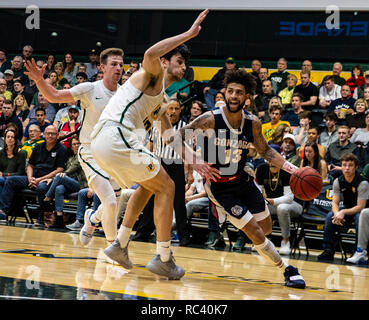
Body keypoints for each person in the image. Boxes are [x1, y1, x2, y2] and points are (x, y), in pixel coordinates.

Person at [90, 9, 215, 279]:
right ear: (165, 61)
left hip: (104, 142)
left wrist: (196, 161)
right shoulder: (152, 75)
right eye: (179, 61)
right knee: (168, 185)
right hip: (114, 135)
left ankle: (120, 245)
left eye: (184, 64)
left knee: (150, 186)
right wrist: (189, 33)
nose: (183, 67)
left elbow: (170, 136)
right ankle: (164, 257)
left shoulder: (161, 97)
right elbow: (149, 55)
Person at [173, 67, 306, 288]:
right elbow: (177, 136)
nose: (233, 96)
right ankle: (288, 270)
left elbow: (266, 151)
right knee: (254, 232)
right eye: (230, 91)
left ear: (246, 97)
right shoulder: (210, 119)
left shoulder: (252, 122)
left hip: (243, 181)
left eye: (238, 92)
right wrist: (194, 161)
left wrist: (295, 170)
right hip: (220, 188)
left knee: (265, 229)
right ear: (225, 93)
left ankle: (235, 222)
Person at [25, 48, 125, 261]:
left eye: (121, 64)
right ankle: (113, 250)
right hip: (90, 151)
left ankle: (91, 218)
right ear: (102, 67)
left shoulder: (126, 93)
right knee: (109, 200)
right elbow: (55, 95)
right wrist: (40, 80)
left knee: (115, 201)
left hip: (114, 153)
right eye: (114, 64)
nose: (119, 68)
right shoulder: (90, 88)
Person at [131, 98, 192, 246]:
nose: (173, 111)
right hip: (158, 163)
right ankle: (143, 232)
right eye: (170, 108)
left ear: (180, 110)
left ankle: (184, 236)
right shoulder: (157, 124)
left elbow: (189, 152)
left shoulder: (186, 128)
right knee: (150, 198)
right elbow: (151, 147)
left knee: (179, 202)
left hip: (176, 164)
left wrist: (189, 173)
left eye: (176, 108)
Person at [0, 125, 68, 224]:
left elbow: (60, 169)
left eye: (53, 134)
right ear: (43, 135)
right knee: (11, 180)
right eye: (48, 133)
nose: (50, 136)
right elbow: (30, 165)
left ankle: (41, 217)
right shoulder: (38, 147)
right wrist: (30, 178)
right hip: (33, 177)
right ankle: (3, 211)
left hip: (48, 180)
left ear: (57, 135)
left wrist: (39, 179)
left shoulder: (62, 149)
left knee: (41, 187)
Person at [318, 153, 369, 261]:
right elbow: (335, 203)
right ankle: (328, 250)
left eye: (350, 165)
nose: (347, 168)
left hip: (363, 211)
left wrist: (343, 212)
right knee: (330, 216)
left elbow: (360, 206)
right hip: (348, 208)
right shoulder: (338, 181)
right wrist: (337, 213)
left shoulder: (362, 183)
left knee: (359, 217)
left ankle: (357, 251)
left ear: (356, 167)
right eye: (344, 165)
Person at [255, 150, 303, 255]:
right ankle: (262, 240)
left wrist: (272, 201)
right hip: (273, 204)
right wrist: (264, 201)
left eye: (275, 160)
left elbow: (289, 198)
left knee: (282, 208)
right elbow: (258, 192)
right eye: (270, 160)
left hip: (294, 204)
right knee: (257, 205)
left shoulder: (286, 171)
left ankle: (285, 241)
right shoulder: (262, 169)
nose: (272, 163)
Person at [43, 136, 88, 228]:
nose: (76, 146)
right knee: (59, 188)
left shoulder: (83, 156)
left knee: (60, 176)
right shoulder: (70, 158)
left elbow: (73, 168)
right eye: (74, 144)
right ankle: (59, 219)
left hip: (81, 185)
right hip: (71, 183)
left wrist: (64, 174)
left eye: (78, 143)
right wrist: (54, 179)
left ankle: (47, 198)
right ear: (71, 147)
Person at [0, 127, 27, 196]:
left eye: (12, 137)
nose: (10, 139)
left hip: (14, 179)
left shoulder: (21, 153)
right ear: (5, 139)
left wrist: (4, 174)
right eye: (8, 137)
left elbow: (20, 173)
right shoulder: (1, 152)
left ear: (15, 139)